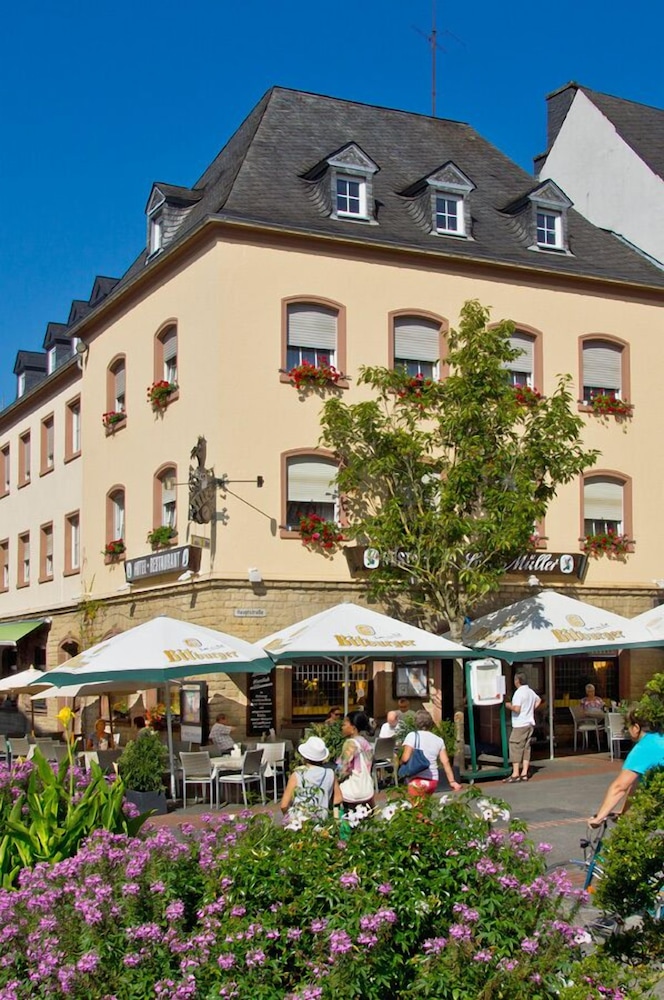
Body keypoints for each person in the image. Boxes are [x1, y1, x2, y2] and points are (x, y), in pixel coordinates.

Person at [589, 706, 664, 825]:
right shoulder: (659, 738)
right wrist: (625, 814)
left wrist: (599, 817)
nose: (626, 730)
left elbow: (619, 787)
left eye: (627, 726)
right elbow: (636, 784)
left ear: (636, 728)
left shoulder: (644, 748)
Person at [280, 735, 342, 824]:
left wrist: (289, 819)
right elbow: (338, 799)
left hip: (299, 821)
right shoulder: (330, 773)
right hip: (321, 820)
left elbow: (284, 805)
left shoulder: (298, 774)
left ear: (305, 757)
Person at [400, 709, 461, 798]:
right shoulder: (438, 740)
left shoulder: (412, 736)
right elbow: (446, 762)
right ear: (431, 723)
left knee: (416, 810)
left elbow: (405, 758)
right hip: (433, 780)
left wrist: (400, 763)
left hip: (417, 780)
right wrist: (452, 781)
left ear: (416, 723)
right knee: (425, 807)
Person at [504, 671, 541, 782]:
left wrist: (508, 705)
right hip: (529, 722)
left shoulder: (519, 693)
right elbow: (539, 700)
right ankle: (524, 773)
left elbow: (517, 709)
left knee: (515, 745)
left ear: (517, 681)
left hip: (520, 724)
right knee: (526, 747)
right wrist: (531, 710)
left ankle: (515, 773)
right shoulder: (530, 691)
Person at [337, 710, 375, 808]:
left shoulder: (350, 744)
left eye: (344, 724)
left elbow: (342, 770)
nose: (342, 727)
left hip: (351, 794)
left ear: (353, 728)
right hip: (366, 790)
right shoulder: (365, 743)